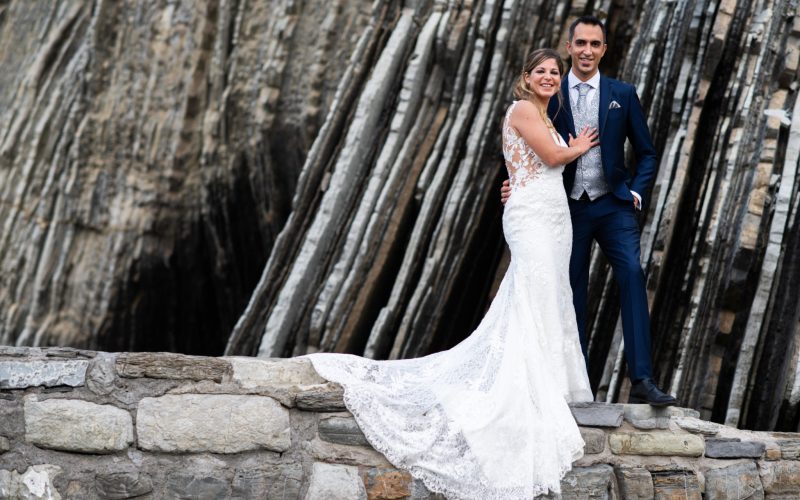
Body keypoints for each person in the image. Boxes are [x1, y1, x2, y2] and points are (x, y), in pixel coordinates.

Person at [306, 49, 598, 499]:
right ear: (525, 77)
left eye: (554, 72)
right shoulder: (522, 108)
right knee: (534, 295)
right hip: (534, 216)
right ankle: (530, 387)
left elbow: (531, 163)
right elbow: (551, 156)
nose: (549, 77)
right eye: (540, 71)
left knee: (550, 292)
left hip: (550, 214)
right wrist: (579, 146)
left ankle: (555, 382)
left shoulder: (540, 111)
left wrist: (531, 172)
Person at [501, 16, 677, 406]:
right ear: (569, 47)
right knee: (569, 290)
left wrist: (635, 190)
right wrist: (515, 182)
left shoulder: (623, 93)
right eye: (580, 43)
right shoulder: (550, 92)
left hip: (614, 205)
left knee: (632, 275)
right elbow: (528, 144)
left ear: (603, 50)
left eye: (594, 44)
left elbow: (647, 152)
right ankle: (574, 386)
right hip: (567, 209)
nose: (586, 51)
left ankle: (643, 380)